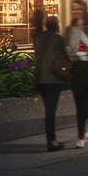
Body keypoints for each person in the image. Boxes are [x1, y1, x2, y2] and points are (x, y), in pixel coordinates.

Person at [65, 0, 88, 149]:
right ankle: (82, 131)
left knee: (84, 102)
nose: (76, 11)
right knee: (78, 101)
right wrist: (71, 54)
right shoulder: (70, 29)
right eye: (74, 9)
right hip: (75, 67)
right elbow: (67, 48)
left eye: (79, 9)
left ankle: (81, 134)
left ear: (84, 10)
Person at [33, 14, 68, 151]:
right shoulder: (59, 39)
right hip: (54, 79)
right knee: (51, 110)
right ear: (57, 25)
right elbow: (66, 56)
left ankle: (51, 139)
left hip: (41, 79)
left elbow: (37, 59)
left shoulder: (40, 38)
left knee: (49, 110)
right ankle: (52, 141)